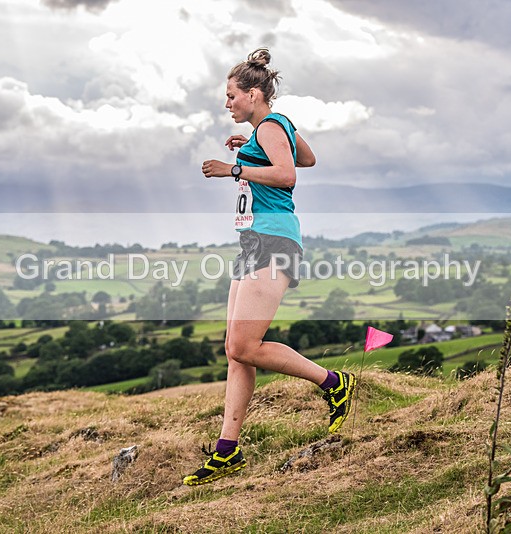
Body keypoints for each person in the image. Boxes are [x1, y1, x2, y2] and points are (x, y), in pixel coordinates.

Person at [183, 48, 356, 486]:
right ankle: (227, 450)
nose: (227, 103)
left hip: (274, 241)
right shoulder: (272, 128)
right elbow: (306, 157)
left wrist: (235, 167)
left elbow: (289, 175)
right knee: (234, 348)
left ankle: (334, 383)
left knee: (245, 345)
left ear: (254, 93)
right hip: (253, 242)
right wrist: (255, 151)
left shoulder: (274, 124)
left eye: (231, 95)